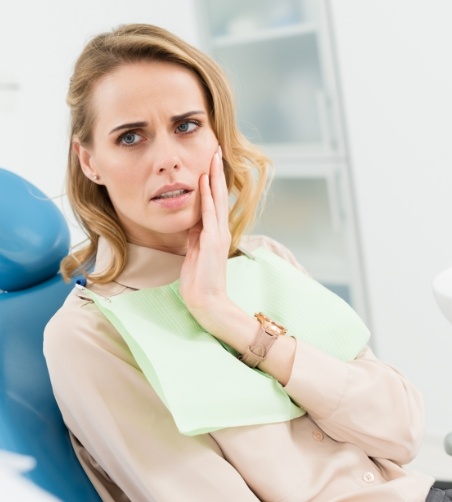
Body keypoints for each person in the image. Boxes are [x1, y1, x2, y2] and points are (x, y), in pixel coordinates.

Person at [43, 23, 449, 502]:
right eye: (131, 137)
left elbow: (399, 432)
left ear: (217, 136)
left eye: (186, 126)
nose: (168, 159)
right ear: (89, 160)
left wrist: (233, 322)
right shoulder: (90, 335)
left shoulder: (267, 258)